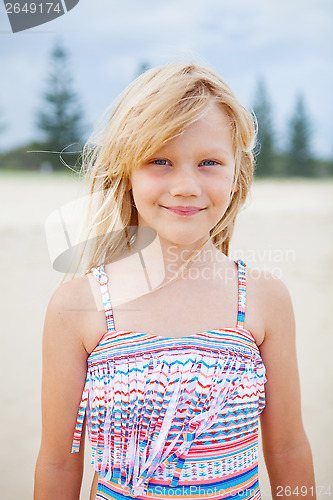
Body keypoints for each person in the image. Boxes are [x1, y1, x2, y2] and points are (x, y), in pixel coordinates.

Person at [34, 62, 316, 500]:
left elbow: (288, 446)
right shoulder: (79, 306)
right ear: (126, 175)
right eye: (160, 161)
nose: (185, 185)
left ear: (236, 175)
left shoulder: (262, 298)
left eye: (209, 162)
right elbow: (57, 460)